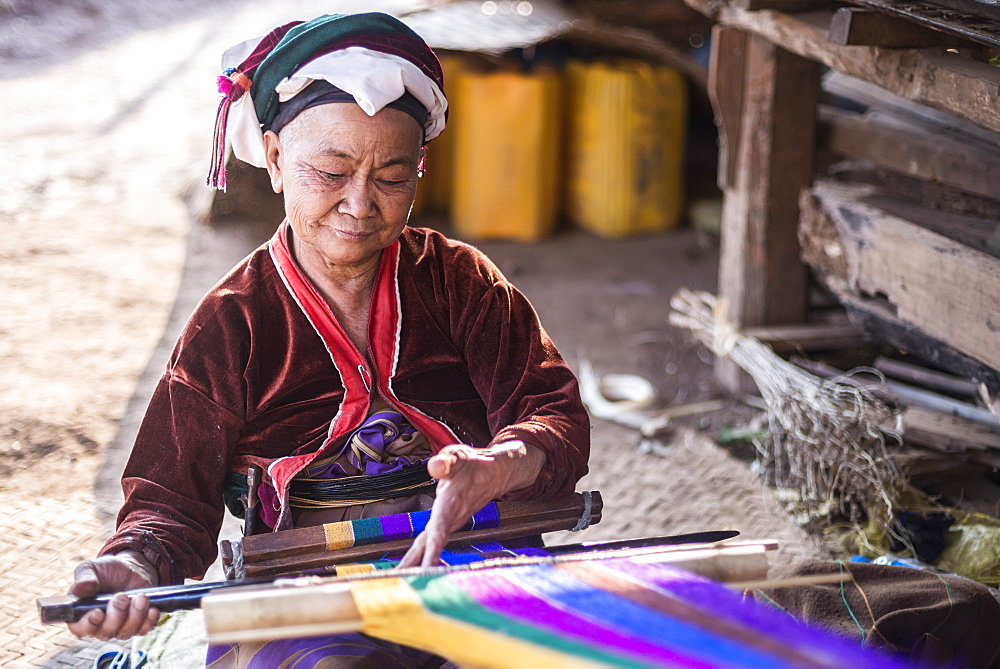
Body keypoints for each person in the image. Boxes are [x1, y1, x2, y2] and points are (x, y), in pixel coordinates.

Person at [65, 12, 590, 665]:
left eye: (392, 176)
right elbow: (171, 502)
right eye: (332, 171)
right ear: (278, 161)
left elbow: (553, 414)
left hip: (471, 561)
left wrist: (501, 463)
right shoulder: (233, 322)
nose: (361, 203)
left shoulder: (464, 283)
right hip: (305, 584)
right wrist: (136, 566)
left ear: (420, 168)